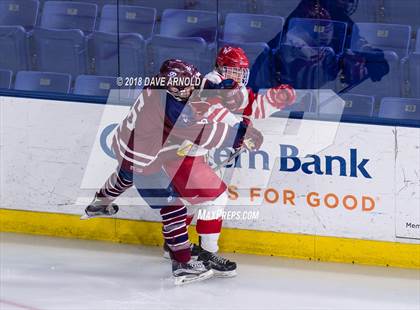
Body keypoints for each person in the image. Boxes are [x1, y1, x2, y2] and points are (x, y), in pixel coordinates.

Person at [83, 59, 263, 285]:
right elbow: (204, 134)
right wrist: (241, 134)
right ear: (171, 87)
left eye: (190, 84)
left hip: (123, 141)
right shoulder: (172, 110)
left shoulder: (160, 83)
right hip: (144, 161)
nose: (188, 89)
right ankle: (182, 264)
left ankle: (98, 204)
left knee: (124, 175)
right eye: (182, 87)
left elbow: (190, 87)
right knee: (174, 208)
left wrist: (218, 88)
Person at [160, 46, 296, 275]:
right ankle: (208, 254)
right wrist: (241, 130)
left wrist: (276, 99)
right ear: (220, 68)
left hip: (195, 153)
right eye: (233, 70)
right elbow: (211, 110)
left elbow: (254, 108)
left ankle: (173, 246)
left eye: (241, 71)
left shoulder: (237, 89)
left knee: (192, 200)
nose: (238, 76)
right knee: (215, 197)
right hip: (180, 153)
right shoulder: (208, 83)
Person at [248, 0, 389, 93]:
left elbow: (360, 45)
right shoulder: (307, 13)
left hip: (311, 89)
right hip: (283, 84)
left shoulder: (340, 19)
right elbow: (275, 48)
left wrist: (375, 58)